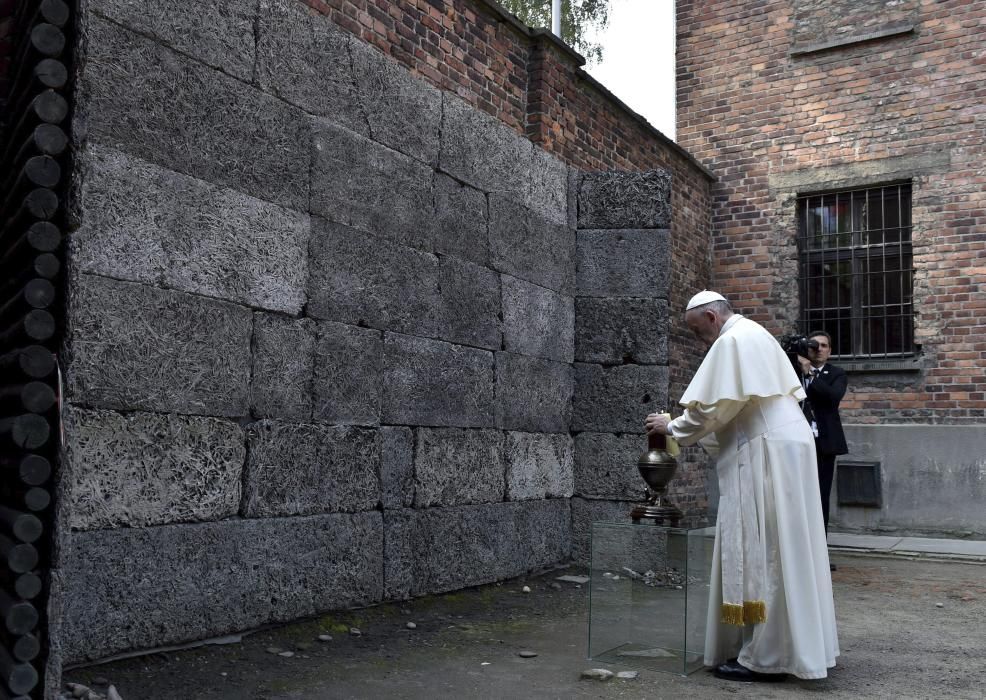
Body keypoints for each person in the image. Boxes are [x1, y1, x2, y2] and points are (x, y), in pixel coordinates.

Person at [645, 291, 839, 682]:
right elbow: (737, 406)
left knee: (767, 548)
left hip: (767, 448)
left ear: (712, 318)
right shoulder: (757, 333)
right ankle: (795, 647)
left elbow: (717, 409)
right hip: (788, 442)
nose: (703, 342)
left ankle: (765, 658)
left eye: (700, 333)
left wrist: (674, 428)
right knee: (790, 547)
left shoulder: (732, 340)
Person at [798, 331, 848, 545]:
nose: (819, 349)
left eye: (824, 345)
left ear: (830, 351)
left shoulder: (837, 373)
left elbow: (832, 398)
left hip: (824, 443)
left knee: (820, 496)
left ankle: (819, 551)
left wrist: (810, 374)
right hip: (798, 440)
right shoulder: (793, 372)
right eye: (814, 344)